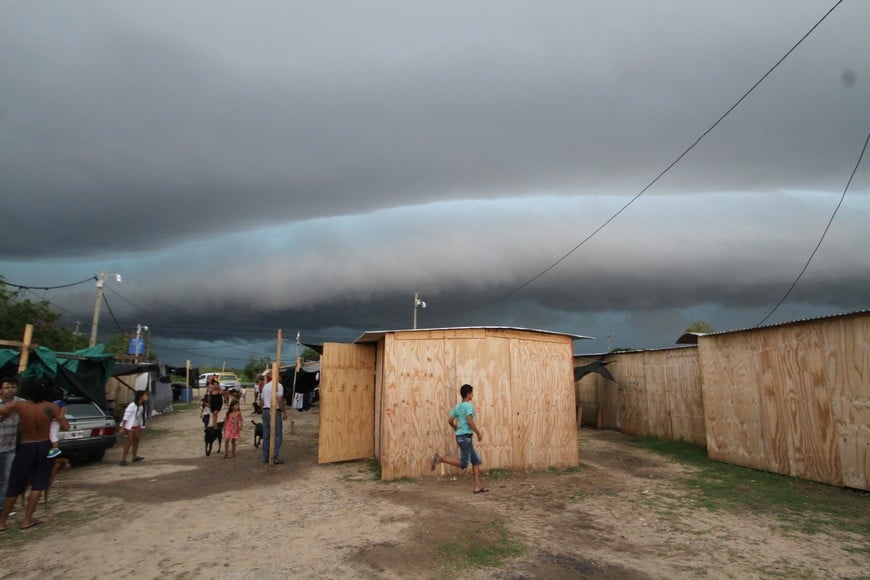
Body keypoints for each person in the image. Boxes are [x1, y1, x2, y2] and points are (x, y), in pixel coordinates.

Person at [0, 380, 69, 531]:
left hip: (26, 446)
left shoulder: (20, 406)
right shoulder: (51, 407)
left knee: (14, 485)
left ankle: (2, 522)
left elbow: (3, 412)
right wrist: (61, 416)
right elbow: (65, 427)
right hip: (44, 446)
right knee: (38, 484)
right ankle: (27, 519)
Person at [430, 383, 488, 494]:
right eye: (472, 393)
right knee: (463, 464)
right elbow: (470, 421)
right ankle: (440, 458)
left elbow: (450, 420)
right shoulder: (469, 406)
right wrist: (478, 433)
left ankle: (477, 486)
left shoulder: (458, 406)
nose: (473, 394)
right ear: (468, 394)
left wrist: (457, 428)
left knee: (475, 461)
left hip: (461, 435)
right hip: (465, 437)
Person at [0, 377, 25, 498]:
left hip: (10, 447)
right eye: (7, 387)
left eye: (13, 387)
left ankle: (2, 506)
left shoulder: (21, 402)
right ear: (1, 390)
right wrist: (5, 414)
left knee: (7, 478)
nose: (10, 390)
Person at [259, 369, 287, 464]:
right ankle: (274, 456)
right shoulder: (278, 386)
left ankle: (265, 457)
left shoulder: (266, 386)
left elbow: (261, 401)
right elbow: (279, 400)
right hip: (275, 411)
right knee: (277, 434)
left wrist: (264, 411)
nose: (279, 376)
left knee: (266, 435)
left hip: (266, 410)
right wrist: (284, 412)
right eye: (278, 375)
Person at [119, 390, 149, 466]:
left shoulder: (142, 405)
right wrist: (123, 427)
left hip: (137, 425)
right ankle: (124, 459)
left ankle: (134, 456)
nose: (147, 397)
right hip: (130, 426)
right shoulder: (132, 405)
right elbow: (126, 416)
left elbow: (141, 417)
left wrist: (142, 426)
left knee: (136, 440)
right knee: (129, 441)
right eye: (145, 395)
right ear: (140, 397)